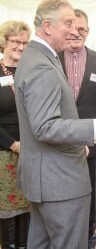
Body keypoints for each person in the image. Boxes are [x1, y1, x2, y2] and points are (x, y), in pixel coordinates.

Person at [14, 0, 96, 249]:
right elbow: (45, 126)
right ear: (47, 26)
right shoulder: (41, 65)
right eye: (68, 23)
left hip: (47, 178)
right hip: (59, 181)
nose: (74, 29)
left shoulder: (40, 57)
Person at [58, 9, 96, 249]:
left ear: (88, 31)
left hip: (91, 143)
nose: (76, 33)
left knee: (91, 197)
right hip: (59, 141)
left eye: (82, 29)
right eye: (72, 28)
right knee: (61, 195)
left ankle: (89, 240)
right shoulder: (52, 58)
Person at [0, 20, 31, 248]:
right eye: (15, 41)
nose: (20, 46)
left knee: (29, 210)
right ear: (4, 42)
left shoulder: (31, 72)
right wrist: (13, 144)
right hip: (5, 152)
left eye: (24, 42)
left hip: (31, 151)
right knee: (8, 213)